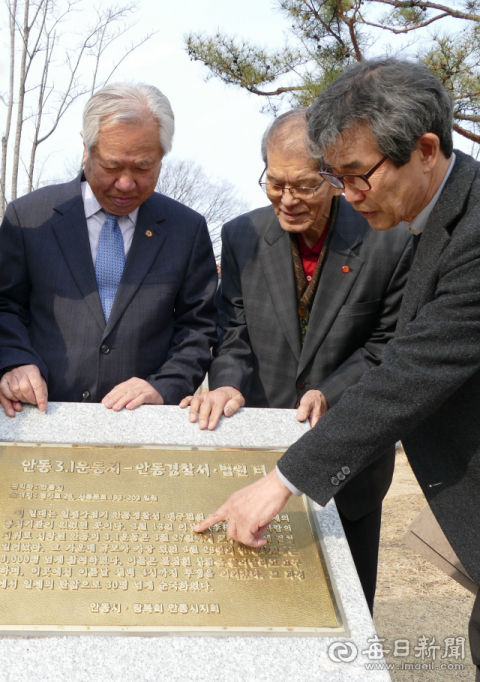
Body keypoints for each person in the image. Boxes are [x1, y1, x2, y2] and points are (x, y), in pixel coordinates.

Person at [194, 58, 480, 673]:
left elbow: (410, 368)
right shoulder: (430, 219)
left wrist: (281, 482)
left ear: (425, 149)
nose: (347, 196)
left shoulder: (470, 233)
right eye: (338, 176)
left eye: (355, 176)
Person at [182, 108, 413, 612]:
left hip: (348, 461)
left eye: (304, 185)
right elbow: (234, 330)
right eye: (275, 182)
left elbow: (388, 345)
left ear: (334, 176)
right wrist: (225, 382)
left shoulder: (389, 238)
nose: (287, 199)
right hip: (257, 450)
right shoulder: (242, 234)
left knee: (343, 614)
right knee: (252, 606)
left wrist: (333, 391)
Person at [0, 83, 217, 417]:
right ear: (87, 150)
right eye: (112, 166)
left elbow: (198, 327)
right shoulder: (28, 218)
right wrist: (14, 361)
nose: (127, 183)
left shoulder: (185, 230)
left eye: (144, 167)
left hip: (140, 428)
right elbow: (5, 305)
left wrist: (164, 387)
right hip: (38, 418)